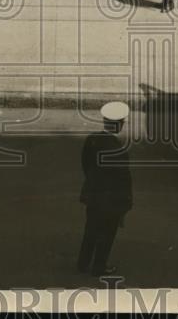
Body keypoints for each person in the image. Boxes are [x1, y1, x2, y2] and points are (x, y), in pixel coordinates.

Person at [77, 101, 132, 279]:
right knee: (107, 234)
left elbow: (86, 164)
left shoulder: (91, 139)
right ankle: (99, 267)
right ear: (119, 124)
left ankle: (83, 263)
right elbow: (123, 181)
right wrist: (125, 205)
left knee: (90, 230)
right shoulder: (119, 150)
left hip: (93, 194)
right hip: (111, 199)